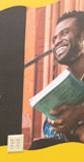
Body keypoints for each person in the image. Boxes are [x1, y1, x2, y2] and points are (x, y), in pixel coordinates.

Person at [42, 11, 84, 143]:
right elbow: (47, 129)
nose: (57, 41)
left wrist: (80, 112)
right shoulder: (61, 86)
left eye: (65, 33)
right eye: (54, 39)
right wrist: (75, 130)